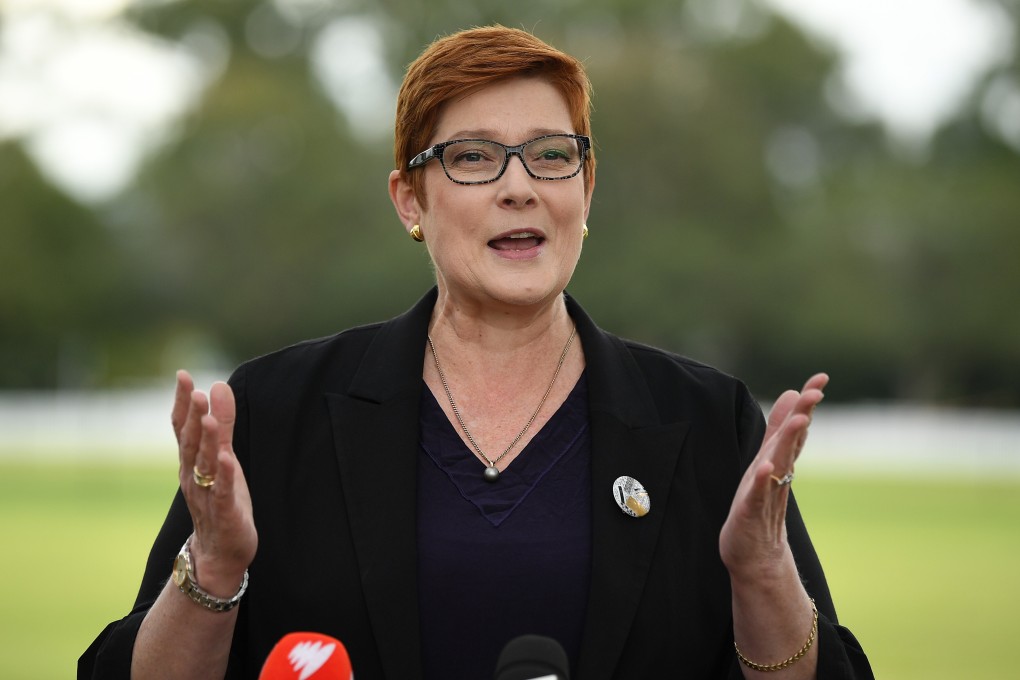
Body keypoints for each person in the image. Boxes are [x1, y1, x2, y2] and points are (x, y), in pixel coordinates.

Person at [79, 25, 873, 679]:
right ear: (410, 200)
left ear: (586, 190)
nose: (519, 187)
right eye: (473, 158)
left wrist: (762, 577)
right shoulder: (276, 416)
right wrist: (214, 570)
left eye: (551, 155)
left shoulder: (706, 424)